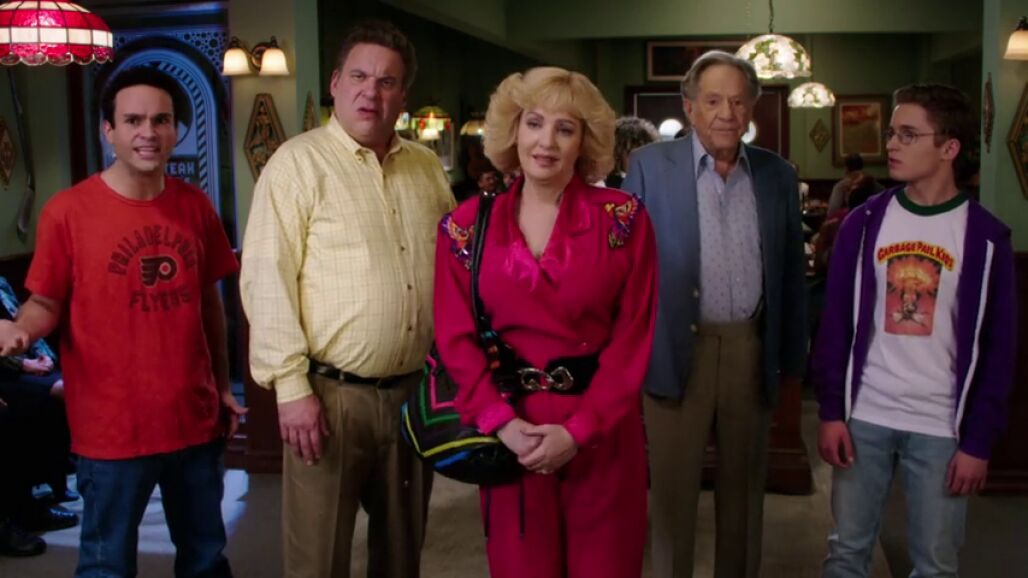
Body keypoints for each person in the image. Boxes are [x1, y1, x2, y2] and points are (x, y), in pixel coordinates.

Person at [0, 66, 242, 577]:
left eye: (161, 120)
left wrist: (222, 388)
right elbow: (45, 303)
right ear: (107, 130)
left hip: (193, 423)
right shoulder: (67, 212)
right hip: (111, 432)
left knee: (205, 560)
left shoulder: (195, 206)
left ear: (176, 130)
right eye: (133, 120)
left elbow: (210, 308)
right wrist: (19, 329)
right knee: (106, 567)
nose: (148, 133)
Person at [239, 20, 454, 578]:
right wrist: (291, 390)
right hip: (328, 396)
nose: (370, 92)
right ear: (335, 83)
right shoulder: (296, 164)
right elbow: (267, 280)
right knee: (319, 558)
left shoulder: (426, 167)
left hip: (412, 392)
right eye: (358, 76)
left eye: (387, 82)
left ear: (403, 96)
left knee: (401, 554)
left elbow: (452, 267)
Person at [435, 66, 657, 578]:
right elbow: (455, 338)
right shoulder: (464, 228)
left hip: (602, 432)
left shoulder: (623, 220)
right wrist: (502, 423)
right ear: (513, 131)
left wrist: (579, 431)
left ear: (585, 142)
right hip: (511, 432)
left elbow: (633, 339)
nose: (547, 142)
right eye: (534, 123)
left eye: (565, 128)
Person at [813, 84, 1017, 578]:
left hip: (942, 426)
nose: (891, 145)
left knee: (936, 565)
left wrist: (978, 442)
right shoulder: (863, 224)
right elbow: (835, 324)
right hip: (865, 415)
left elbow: (1000, 351)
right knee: (846, 554)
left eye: (908, 134)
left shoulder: (985, 237)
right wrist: (831, 411)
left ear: (949, 148)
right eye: (891, 133)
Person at [622, 50, 808, 578]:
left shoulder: (776, 174)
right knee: (673, 495)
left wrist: (792, 363)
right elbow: (625, 268)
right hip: (674, 347)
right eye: (713, 101)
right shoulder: (649, 167)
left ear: (751, 108)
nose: (727, 113)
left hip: (750, 347)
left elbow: (790, 274)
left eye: (739, 101)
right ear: (690, 107)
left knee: (744, 491)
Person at [606, 116, 659, 188]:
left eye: (647, 154)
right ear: (617, 155)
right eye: (635, 154)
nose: (643, 160)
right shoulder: (612, 187)